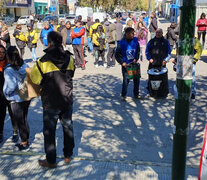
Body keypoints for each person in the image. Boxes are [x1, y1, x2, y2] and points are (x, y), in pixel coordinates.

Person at [30, 31, 75, 168]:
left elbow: (35, 80)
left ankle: (51, 161)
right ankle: (68, 155)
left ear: (48, 43)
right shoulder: (70, 58)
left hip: (50, 102)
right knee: (68, 127)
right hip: (67, 99)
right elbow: (71, 74)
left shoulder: (42, 61)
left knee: (49, 132)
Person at [3, 46, 31, 151]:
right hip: (26, 96)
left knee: (20, 121)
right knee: (24, 119)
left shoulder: (9, 70)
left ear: (8, 56)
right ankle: (26, 139)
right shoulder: (25, 65)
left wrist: (6, 93)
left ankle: (23, 142)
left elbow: (11, 86)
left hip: (16, 99)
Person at [115, 27, 140, 101]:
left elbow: (138, 50)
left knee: (136, 80)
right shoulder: (121, 42)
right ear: (127, 34)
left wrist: (136, 58)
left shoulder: (135, 40)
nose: (133, 34)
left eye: (133, 33)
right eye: (132, 33)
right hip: (126, 65)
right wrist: (122, 62)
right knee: (126, 81)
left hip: (134, 64)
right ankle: (123, 95)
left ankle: (136, 94)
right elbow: (117, 54)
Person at [0, 45, 18, 143]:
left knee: (13, 115)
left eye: (3, 52)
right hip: (0, 96)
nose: (1, 54)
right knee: (1, 115)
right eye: (0, 52)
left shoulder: (9, 64)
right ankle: (0, 133)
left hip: (10, 94)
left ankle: (15, 132)